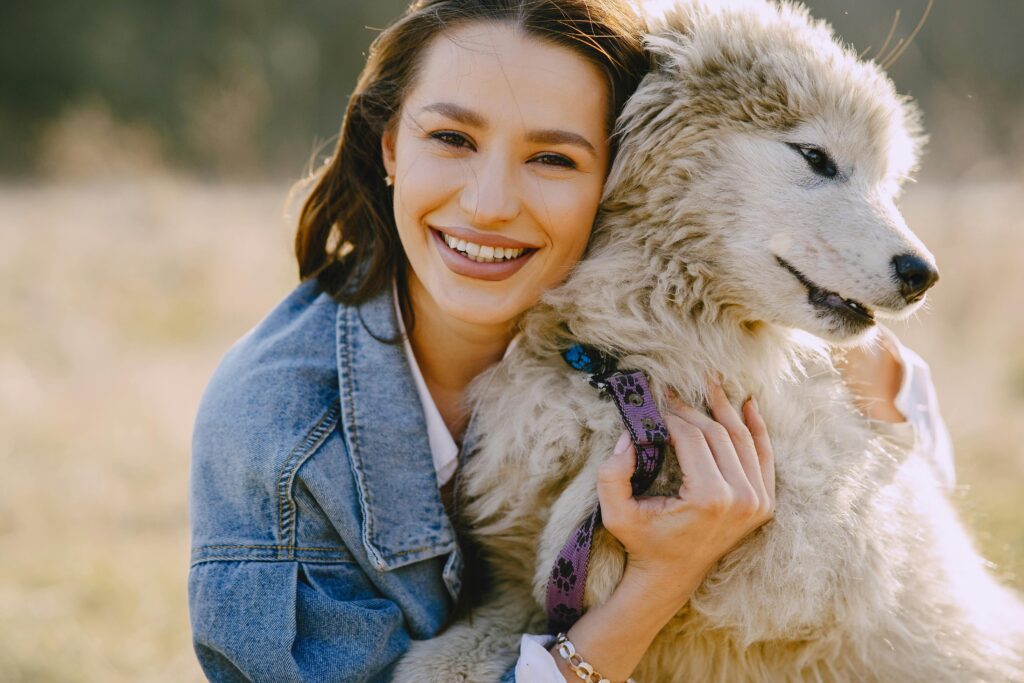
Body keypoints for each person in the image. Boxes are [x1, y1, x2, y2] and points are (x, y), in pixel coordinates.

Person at [187, 0, 954, 681]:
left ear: (622, 168)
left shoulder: (721, 324)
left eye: (554, 158)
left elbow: (921, 576)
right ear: (390, 146)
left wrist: (881, 416)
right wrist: (659, 581)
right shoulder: (279, 433)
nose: (489, 205)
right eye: (452, 137)